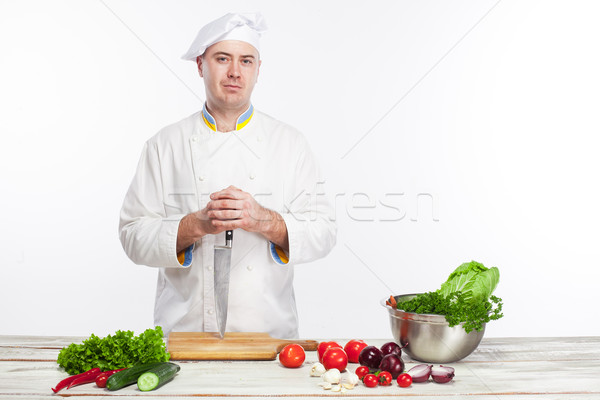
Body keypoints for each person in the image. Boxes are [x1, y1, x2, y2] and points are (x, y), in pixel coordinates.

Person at [119, 12, 336, 339]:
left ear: (258, 70)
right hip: (184, 336)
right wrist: (195, 225)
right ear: (200, 65)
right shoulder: (164, 145)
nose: (235, 72)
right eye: (222, 59)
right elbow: (132, 235)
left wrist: (263, 220)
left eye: (246, 61)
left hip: (270, 338)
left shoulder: (290, 143)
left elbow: (324, 231)